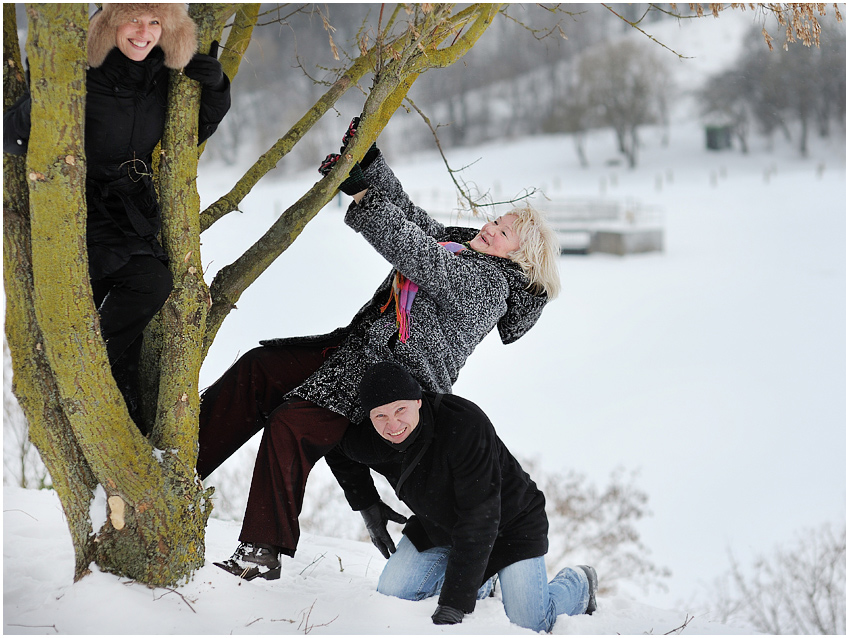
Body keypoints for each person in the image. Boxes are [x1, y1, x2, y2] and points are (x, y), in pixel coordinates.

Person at [203, 117, 562, 579]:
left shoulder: (488, 288)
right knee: (261, 368)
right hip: (356, 351)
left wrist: (363, 198)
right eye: (495, 220)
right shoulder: (460, 245)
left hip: (394, 382)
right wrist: (368, 162)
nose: (490, 228)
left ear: (519, 257)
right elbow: (412, 219)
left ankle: (261, 550)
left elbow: (419, 254)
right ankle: (181, 461)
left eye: (504, 233)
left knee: (292, 424)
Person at [3, 3, 232, 433]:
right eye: (133, 19)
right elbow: (10, 134)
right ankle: (81, 379)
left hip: (131, 209)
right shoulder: (79, 67)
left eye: (154, 22)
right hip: (76, 209)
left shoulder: (161, 72)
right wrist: (46, 102)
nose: (144, 32)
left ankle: (128, 426)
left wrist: (218, 85)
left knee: (138, 312)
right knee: (126, 294)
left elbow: (193, 130)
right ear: (110, 20)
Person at [328, 361, 597, 632]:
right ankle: (483, 581)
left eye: (400, 409)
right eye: (380, 416)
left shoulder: (464, 424)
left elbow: (480, 517)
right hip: (439, 525)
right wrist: (367, 505)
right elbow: (334, 448)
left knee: (530, 623)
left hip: (510, 523)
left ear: (418, 401)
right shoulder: (368, 440)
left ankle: (579, 583)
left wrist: (455, 603)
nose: (393, 424)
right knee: (393, 592)